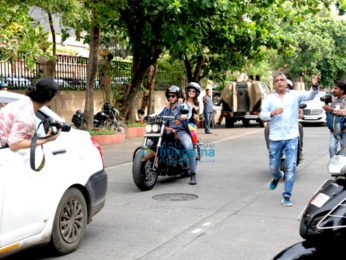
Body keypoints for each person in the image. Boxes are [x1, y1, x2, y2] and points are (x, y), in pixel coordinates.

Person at [260, 72, 319, 206]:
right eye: (277, 81)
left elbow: (310, 95)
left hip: (292, 136)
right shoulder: (269, 99)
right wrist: (271, 113)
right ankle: (277, 176)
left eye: (282, 80)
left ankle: (287, 196)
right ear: (273, 84)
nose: (280, 82)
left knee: (291, 168)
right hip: (275, 137)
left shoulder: (294, 95)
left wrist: (314, 86)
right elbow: (262, 114)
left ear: (286, 82)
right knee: (273, 167)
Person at [0, 77, 60, 151]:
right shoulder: (27, 116)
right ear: (48, 100)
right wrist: (46, 140)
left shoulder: (24, 101)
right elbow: (14, 145)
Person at [157, 85, 198, 185]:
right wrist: (150, 117)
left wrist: (185, 116)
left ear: (177, 96)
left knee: (189, 147)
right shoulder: (166, 108)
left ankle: (193, 174)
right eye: (169, 96)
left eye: (173, 96)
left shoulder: (182, 105)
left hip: (181, 131)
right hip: (167, 130)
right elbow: (159, 115)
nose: (171, 98)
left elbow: (188, 112)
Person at [322, 81, 346, 158]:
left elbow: (344, 112)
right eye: (333, 88)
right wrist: (327, 110)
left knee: (344, 150)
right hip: (334, 130)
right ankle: (334, 165)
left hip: (344, 130)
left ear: (342, 91)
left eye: (336, 88)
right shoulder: (334, 100)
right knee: (332, 148)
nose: (333, 90)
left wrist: (331, 109)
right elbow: (330, 114)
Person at [185, 82, 201, 159]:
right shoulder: (182, 102)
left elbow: (198, 119)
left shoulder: (196, 105)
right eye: (190, 90)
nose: (191, 92)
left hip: (191, 124)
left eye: (193, 91)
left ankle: (195, 151)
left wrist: (196, 117)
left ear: (196, 93)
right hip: (180, 123)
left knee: (192, 129)